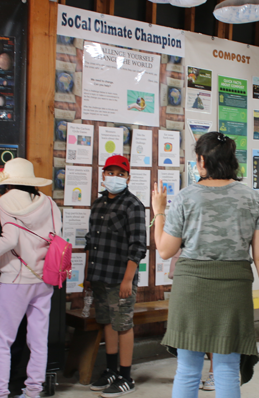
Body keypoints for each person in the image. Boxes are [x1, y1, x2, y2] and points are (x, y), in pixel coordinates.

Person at [151, 131, 259, 398]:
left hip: (191, 288)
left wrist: (159, 212)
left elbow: (165, 250)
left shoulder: (185, 198)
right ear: (231, 161)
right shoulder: (252, 198)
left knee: (188, 369)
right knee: (226, 368)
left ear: (201, 161)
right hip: (233, 289)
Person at [0, 157, 62, 398]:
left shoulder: (5, 201)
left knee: (2, 340)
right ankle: (33, 391)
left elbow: (10, 239)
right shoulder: (50, 204)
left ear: (9, 182)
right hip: (44, 278)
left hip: (15, 279)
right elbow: (56, 237)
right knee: (38, 339)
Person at [85, 155, 146, 397]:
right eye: (110, 173)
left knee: (123, 324)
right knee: (107, 322)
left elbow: (138, 246)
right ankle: (110, 370)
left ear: (128, 177)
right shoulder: (98, 204)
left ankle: (126, 376)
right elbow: (91, 241)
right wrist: (88, 277)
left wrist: (128, 280)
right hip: (99, 276)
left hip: (121, 278)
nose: (115, 178)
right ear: (103, 175)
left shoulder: (133, 205)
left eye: (120, 174)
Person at [169, 250, 215, 391]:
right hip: (188, 280)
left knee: (211, 329)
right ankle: (191, 375)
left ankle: (214, 373)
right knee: (190, 329)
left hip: (212, 279)